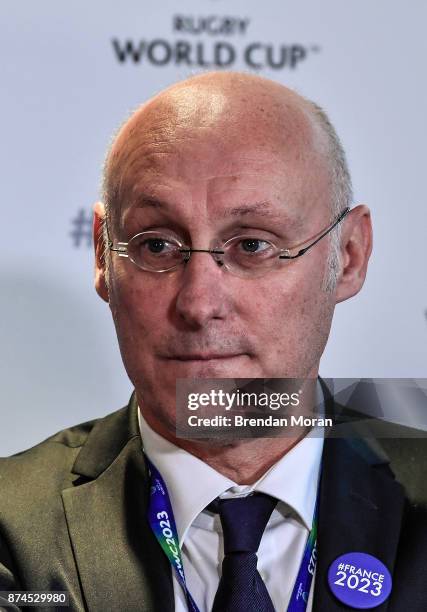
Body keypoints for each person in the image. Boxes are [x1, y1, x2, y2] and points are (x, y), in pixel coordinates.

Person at [0, 71, 426, 612]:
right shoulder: (11, 530)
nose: (199, 304)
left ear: (349, 255)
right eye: (157, 245)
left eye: (253, 244)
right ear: (103, 257)